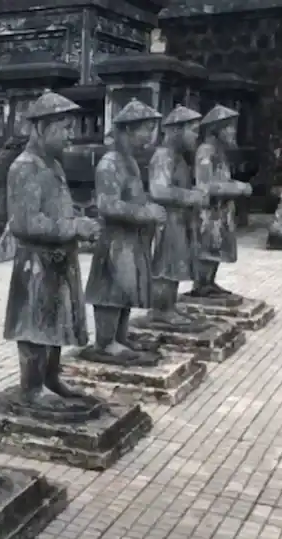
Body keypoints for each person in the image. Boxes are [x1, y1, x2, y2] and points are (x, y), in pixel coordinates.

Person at [4, 90, 101, 404]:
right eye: (63, 128)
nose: (69, 135)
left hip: (59, 260)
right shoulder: (25, 167)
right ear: (39, 128)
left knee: (57, 322)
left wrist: (79, 219)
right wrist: (74, 227)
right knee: (35, 325)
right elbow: (25, 223)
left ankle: (51, 378)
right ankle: (31, 388)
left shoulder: (53, 166)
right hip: (36, 263)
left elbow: (58, 210)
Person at [83, 99, 166, 365]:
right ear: (128, 130)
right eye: (145, 129)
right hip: (115, 241)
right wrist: (144, 213)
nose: (150, 136)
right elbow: (107, 205)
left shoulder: (128, 160)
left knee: (126, 290)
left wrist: (148, 208)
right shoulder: (110, 163)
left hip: (132, 239)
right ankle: (105, 342)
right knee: (112, 290)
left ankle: (119, 337)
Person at [142, 105, 209, 329]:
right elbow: (158, 190)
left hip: (179, 220)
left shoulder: (178, 157)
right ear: (176, 131)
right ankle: (161, 310)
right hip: (167, 221)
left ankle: (168, 306)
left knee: (177, 264)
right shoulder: (163, 156)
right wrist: (191, 196)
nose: (196, 137)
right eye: (193, 131)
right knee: (166, 266)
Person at [187, 105, 253, 298]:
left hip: (221, 210)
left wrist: (237, 184)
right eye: (229, 127)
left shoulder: (220, 152)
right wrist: (238, 189)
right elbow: (205, 185)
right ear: (216, 129)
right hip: (209, 211)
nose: (233, 131)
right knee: (208, 247)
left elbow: (223, 179)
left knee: (217, 248)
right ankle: (201, 284)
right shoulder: (206, 151)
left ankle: (209, 282)